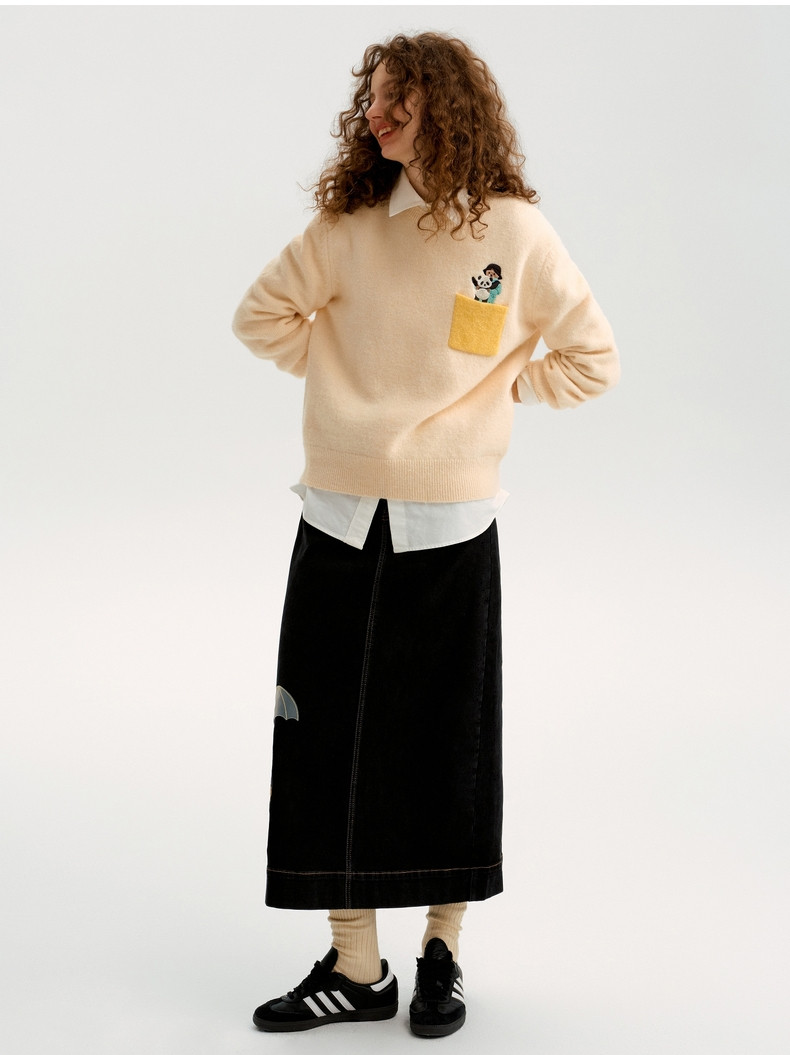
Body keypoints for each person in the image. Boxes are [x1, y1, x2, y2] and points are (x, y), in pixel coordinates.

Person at [232, 31, 619, 1038]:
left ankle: (441, 951)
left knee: (448, 744)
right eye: (371, 98)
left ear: (446, 108)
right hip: (337, 511)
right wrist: (346, 378)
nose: (375, 116)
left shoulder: (513, 232)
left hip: (451, 522)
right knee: (321, 739)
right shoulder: (348, 227)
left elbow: (590, 358)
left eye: (397, 100)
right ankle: (355, 965)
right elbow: (261, 317)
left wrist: (495, 391)